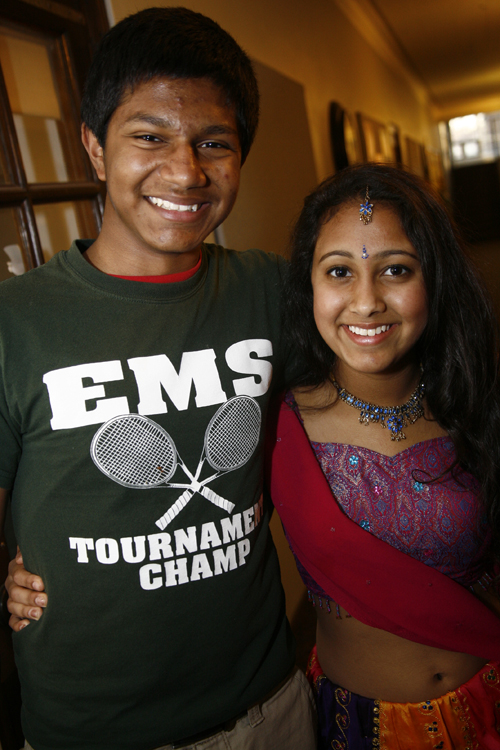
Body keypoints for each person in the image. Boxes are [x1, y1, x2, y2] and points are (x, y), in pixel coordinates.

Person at [0, 7, 316, 750]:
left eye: (215, 143)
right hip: (94, 732)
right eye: (149, 137)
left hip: (269, 708)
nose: (186, 172)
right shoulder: (15, 321)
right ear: (96, 148)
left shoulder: (274, 293)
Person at [267, 163, 500, 748]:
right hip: (361, 728)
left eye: (395, 269)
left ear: (434, 279)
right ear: (309, 285)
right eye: (340, 272)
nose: (366, 302)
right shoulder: (274, 427)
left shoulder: (479, 401)